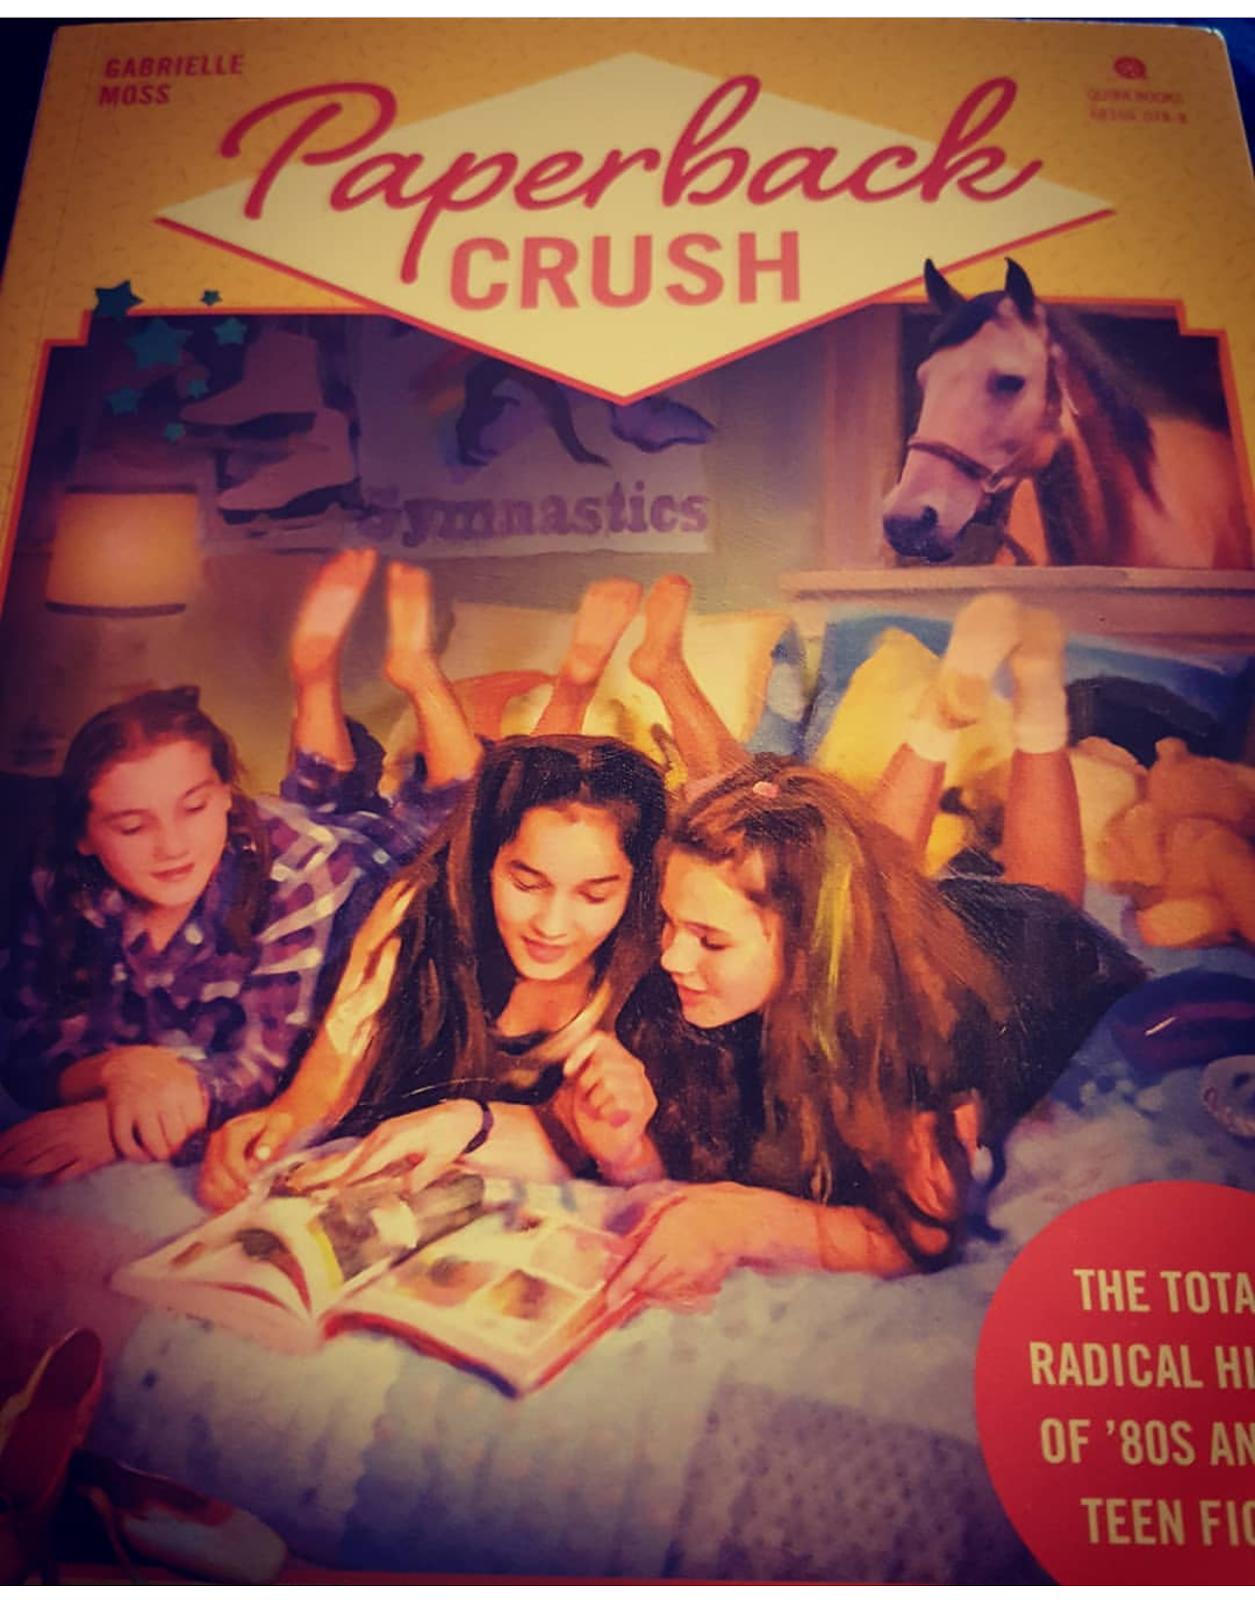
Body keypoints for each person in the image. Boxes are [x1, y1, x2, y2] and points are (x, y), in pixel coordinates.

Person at [0, 549, 481, 1183]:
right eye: (132, 826)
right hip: (291, 832)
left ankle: (411, 671)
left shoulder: (307, 868)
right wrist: (122, 1072)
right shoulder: (58, 876)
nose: (170, 845)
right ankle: (314, 674)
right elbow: (21, 1040)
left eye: (194, 807)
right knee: (318, 800)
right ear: (84, 837)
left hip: (361, 864)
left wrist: (118, 1122)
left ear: (228, 792)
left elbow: (268, 1072)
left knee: (456, 812)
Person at [197, 733, 670, 1211]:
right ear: (486, 861)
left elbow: (650, 1167)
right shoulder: (414, 914)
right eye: (526, 883)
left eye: (594, 896)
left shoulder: (663, 967)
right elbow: (321, 1090)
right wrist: (267, 1136)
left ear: (637, 886)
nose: (552, 925)